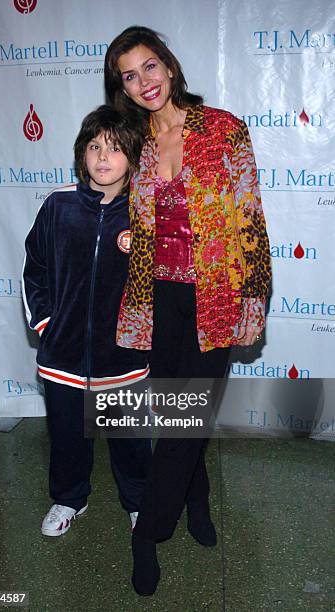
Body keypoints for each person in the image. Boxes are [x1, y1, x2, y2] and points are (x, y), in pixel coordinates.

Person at [105, 26, 272, 595]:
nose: (143, 82)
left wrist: (255, 296)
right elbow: (107, 192)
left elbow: (248, 216)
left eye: (149, 67)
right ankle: (196, 500)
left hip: (217, 296)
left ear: (170, 68)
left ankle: (147, 532)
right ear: (123, 88)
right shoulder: (133, 143)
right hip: (160, 300)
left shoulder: (222, 128)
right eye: (130, 75)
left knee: (181, 425)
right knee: (181, 415)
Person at [22, 105, 152, 537]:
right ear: (82, 154)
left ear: (133, 158)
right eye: (94, 146)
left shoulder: (144, 214)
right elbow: (34, 268)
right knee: (66, 439)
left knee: (131, 443)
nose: (102, 157)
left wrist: (145, 336)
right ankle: (68, 499)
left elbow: (160, 283)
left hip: (123, 361)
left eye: (115, 149)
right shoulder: (59, 206)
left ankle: (138, 503)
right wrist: (46, 325)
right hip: (63, 359)